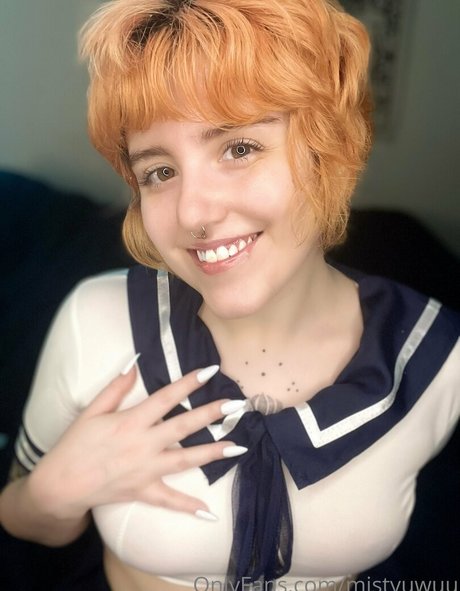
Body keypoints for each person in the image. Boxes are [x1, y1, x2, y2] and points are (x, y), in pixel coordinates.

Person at [1, 0, 459, 590]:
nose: (193, 213)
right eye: (160, 172)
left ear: (328, 149)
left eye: (239, 149)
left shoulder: (436, 357)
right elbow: (23, 520)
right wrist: (51, 493)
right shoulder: (95, 324)